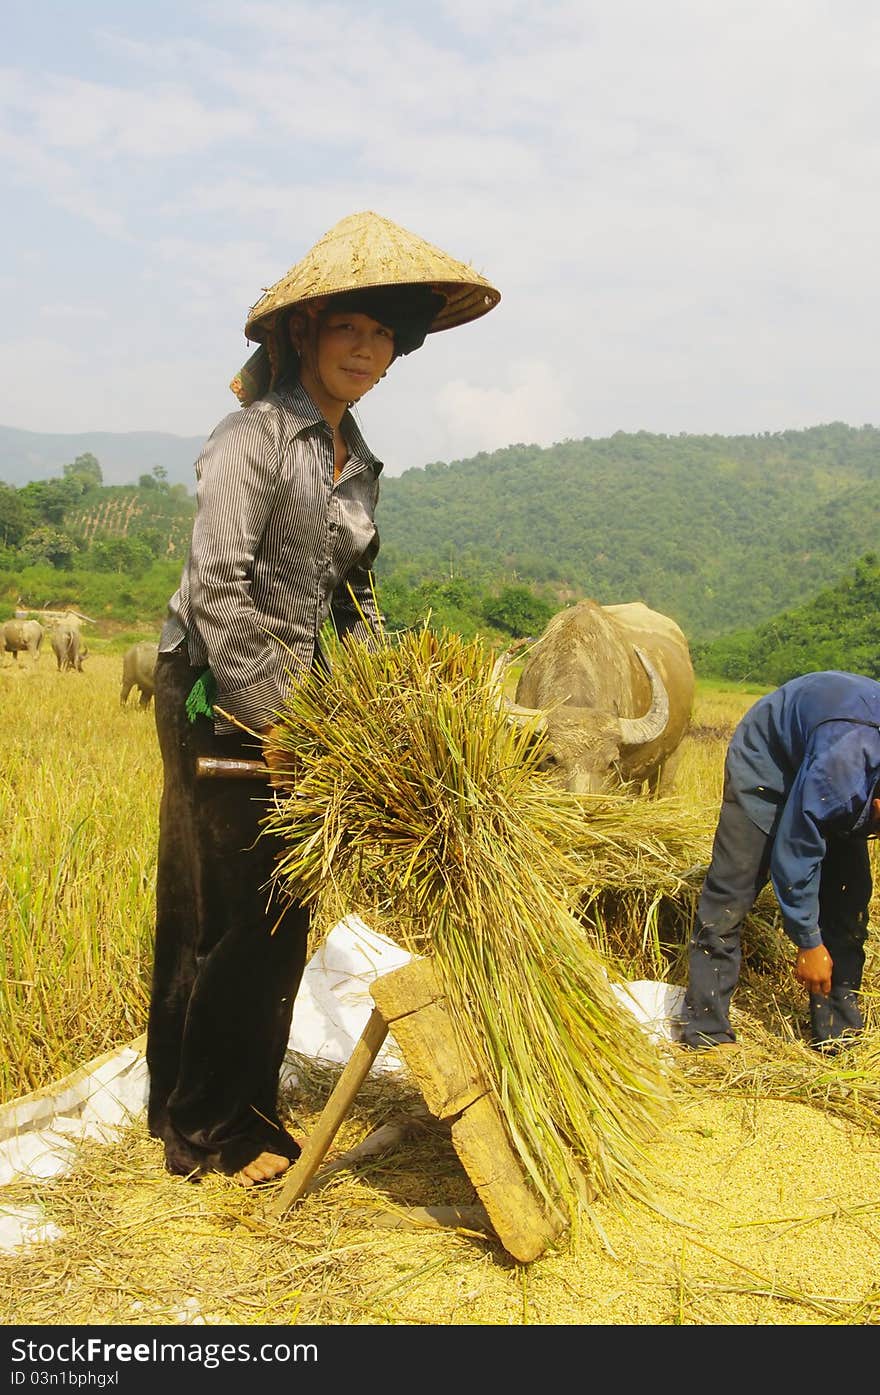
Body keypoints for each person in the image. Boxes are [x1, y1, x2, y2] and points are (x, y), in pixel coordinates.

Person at [146, 211, 500, 1185]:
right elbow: (217, 589)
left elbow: (354, 604)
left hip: (296, 710)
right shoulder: (251, 440)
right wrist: (275, 719)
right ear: (305, 333)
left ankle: (207, 1104)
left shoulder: (357, 463)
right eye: (350, 327)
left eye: (383, 336)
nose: (367, 349)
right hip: (215, 692)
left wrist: (385, 713)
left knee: (272, 917)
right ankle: (210, 1135)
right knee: (233, 917)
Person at [682, 669, 880, 1052]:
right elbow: (795, 850)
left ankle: (838, 1033)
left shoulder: (852, 777)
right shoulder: (845, 763)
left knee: (848, 899)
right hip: (770, 763)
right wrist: (808, 943)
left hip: (830, 754)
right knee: (730, 894)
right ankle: (706, 1031)